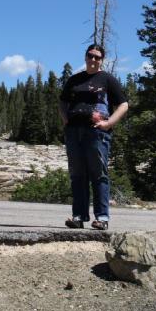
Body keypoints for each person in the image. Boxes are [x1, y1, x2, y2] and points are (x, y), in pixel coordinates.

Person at [59, 44, 128, 230]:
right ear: (85, 57)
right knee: (77, 175)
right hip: (74, 132)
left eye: (97, 57)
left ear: (101, 60)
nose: (93, 60)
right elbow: (63, 101)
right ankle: (79, 216)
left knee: (99, 174)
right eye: (91, 56)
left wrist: (109, 123)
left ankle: (102, 218)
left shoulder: (107, 79)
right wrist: (66, 120)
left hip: (97, 132)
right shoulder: (74, 80)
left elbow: (123, 105)